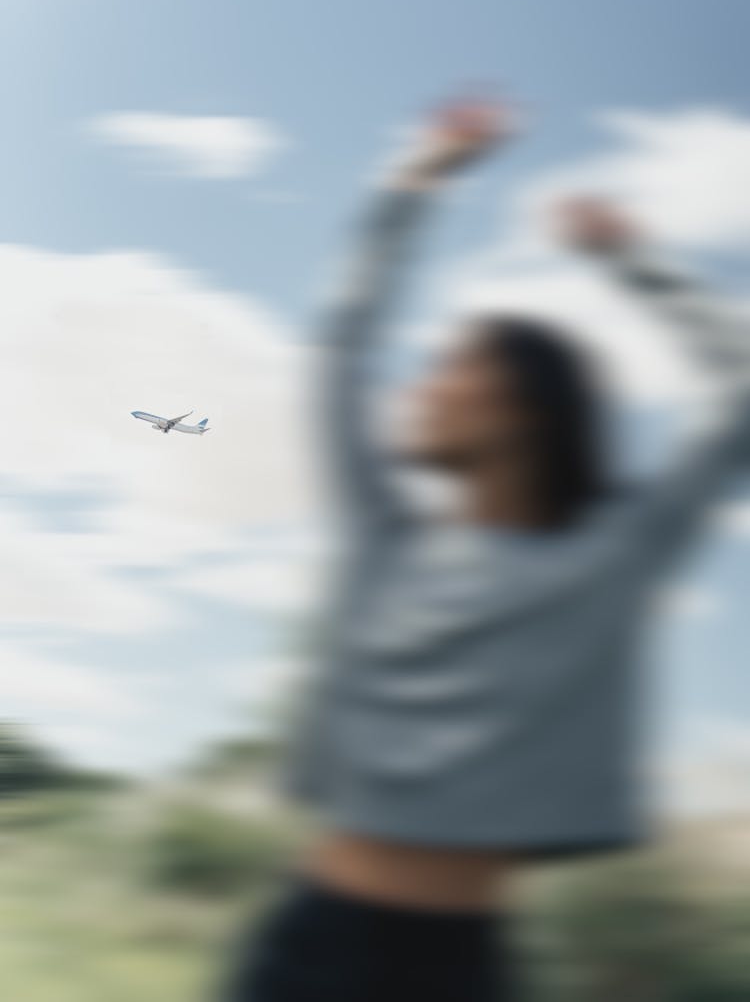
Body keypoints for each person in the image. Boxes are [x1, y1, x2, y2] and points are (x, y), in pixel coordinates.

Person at [221, 99, 750, 1001]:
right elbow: (339, 352)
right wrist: (412, 185)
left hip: (458, 973)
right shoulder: (385, 536)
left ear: (522, 402)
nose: (419, 388)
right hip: (303, 952)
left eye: (449, 364)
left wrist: (632, 263)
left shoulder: (615, 555)